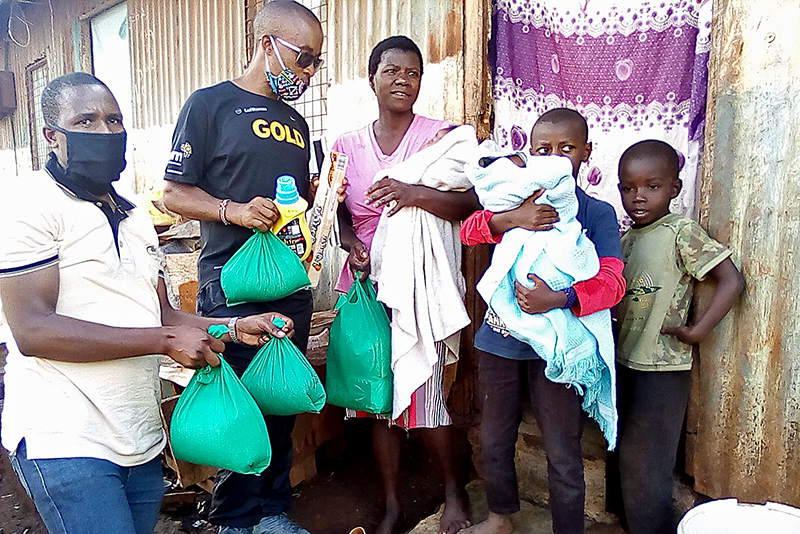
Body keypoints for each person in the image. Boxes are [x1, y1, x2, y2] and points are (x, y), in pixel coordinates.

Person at [0, 72, 295, 534]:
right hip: (64, 439)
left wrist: (234, 327)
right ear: (51, 137)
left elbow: (162, 315)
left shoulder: (134, 214)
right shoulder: (29, 204)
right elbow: (34, 330)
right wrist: (164, 340)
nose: (105, 132)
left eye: (114, 120)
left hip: (139, 439)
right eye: (86, 121)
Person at [161, 2, 331, 533]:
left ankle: (273, 512)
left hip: (289, 285)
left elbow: (298, 203)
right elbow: (173, 194)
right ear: (266, 44)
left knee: (280, 398)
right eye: (303, 58)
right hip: (231, 286)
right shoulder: (210, 105)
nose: (307, 73)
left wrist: (315, 229)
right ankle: (234, 519)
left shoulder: (298, 125)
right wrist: (231, 211)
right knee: (240, 403)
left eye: (315, 64)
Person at [334, 35, 480, 534]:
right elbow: (335, 215)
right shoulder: (346, 148)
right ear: (371, 77)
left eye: (413, 72)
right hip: (367, 288)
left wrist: (412, 192)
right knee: (378, 400)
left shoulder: (443, 138)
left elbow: (471, 206)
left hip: (420, 284)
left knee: (426, 395)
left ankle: (453, 493)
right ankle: (394, 503)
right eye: (391, 70)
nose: (402, 79)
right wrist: (352, 242)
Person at [460, 108, 626, 534]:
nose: (554, 157)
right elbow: (470, 231)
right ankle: (500, 518)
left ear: (586, 153)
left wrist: (560, 298)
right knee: (494, 439)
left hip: (559, 345)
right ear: (529, 154)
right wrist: (516, 218)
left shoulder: (596, 213)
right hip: (500, 339)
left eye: (567, 149)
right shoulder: (515, 197)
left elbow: (611, 284)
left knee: (562, 450)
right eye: (543, 149)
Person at [615, 140, 744, 534]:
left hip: (662, 366)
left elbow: (731, 280)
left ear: (674, 187)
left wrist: (697, 330)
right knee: (625, 453)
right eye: (628, 187)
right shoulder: (625, 238)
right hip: (625, 361)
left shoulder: (680, 232)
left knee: (648, 463)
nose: (638, 197)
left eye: (652, 186)